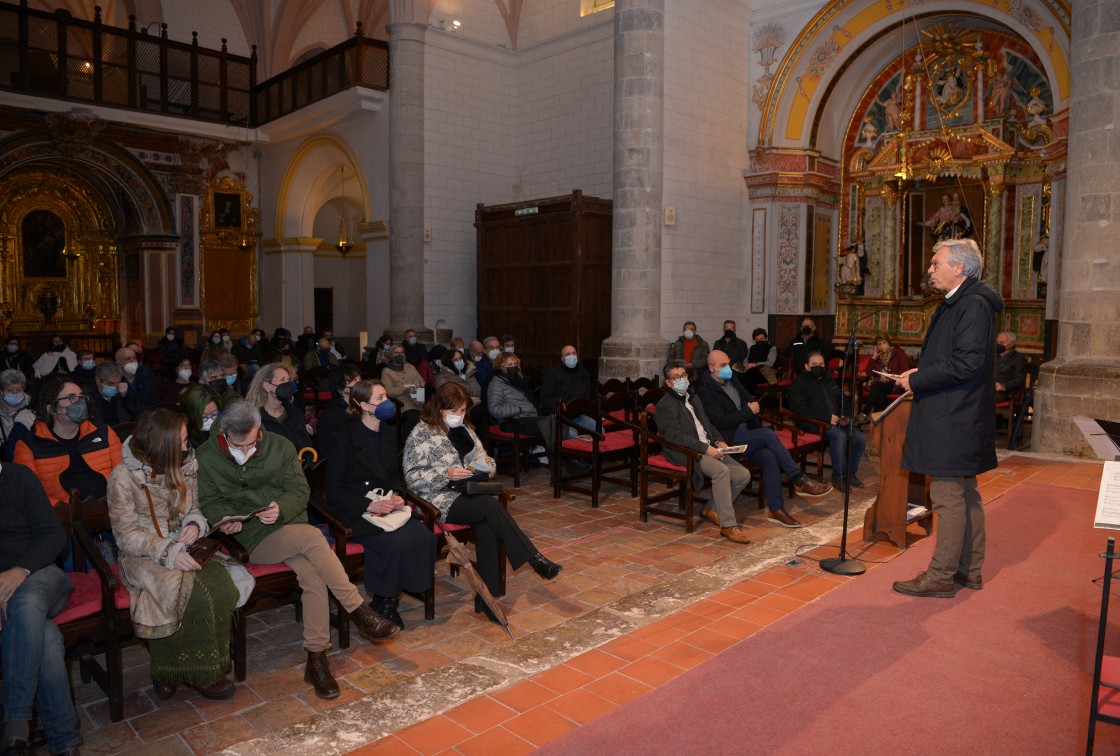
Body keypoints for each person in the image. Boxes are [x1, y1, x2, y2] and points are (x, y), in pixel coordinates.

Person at [196, 398, 398, 699]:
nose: (244, 450)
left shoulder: (280, 445)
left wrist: (280, 507)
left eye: (250, 443)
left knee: (314, 576)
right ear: (223, 431)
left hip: (288, 523)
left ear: (258, 428)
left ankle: (316, 659)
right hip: (251, 536)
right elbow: (209, 502)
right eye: (236, 445)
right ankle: (358, 610)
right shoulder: (207, 456)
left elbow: (300, 491)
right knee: (314, 539)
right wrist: (224, 519)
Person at [107, 406, 250, 701]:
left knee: (222, 589)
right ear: (164, 445)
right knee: (188, 595)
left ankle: (202, 670)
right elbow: (126, 536)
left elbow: (194, 506)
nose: (189, 446)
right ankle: (172, 669)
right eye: (183, 441)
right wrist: (167, 551)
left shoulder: (185, 463)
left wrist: (194, 524)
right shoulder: (123, 477)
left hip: (184, 545)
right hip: (145, 554)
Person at [893, 238, 1001, 598]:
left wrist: (919, 378)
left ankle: (940, 576)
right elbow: (957, 358)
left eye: (936, 263)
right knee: (966, 493)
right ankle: (969, 569)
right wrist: (922, 371)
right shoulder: (965, 302)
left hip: (954, 415)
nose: (929, 269)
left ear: (959, 268)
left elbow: (968, 362)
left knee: (947, 496)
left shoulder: (971, 305)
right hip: (959, 411)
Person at [404, 382, 562, 623]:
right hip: (438, 498)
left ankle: (487, 599)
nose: (458, 416)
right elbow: (412, 477)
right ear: (440, 408)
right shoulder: (422, 433)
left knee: (488, 526)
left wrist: (487, 465)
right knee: (489, 508)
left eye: (462, 410)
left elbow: (482, 460)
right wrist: (446, 474)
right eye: (453, 411)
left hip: (469, 491)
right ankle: (535, 559)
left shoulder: (465, 429)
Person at [324, 380, 436, 628]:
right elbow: (333, 490)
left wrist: (398, 495)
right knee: (394, 543)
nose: (387, 403)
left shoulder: (387, 432)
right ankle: (386, 600)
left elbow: (394, 474)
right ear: (364, 405)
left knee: (424, 536)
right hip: (355, 511)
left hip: (387, 507)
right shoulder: (344, 437)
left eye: (386, 396)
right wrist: (369, 505)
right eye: (380, 398)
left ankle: (386, 601)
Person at [696, 350, 833, 528]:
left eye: (728, 364)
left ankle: (776, 510)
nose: (727, 368)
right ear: (711, 367)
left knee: (769, 456)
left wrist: (749, 408)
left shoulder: (731, 379)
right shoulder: (705, 390)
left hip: (747, 431)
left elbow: (746, 398)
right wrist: (747, 411)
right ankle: (799, 479)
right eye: (723, 366)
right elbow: (720, 422)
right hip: (728, 438)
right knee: (768, 435)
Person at [0, 461, 81, 756]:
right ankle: (64, 742)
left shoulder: (19, 476)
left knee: (27, 599)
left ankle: (16, 718)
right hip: (3, 593)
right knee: (46, 637)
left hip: (41, 574)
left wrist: (19, 570)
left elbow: (53, 536)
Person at [656, 361, 752, 543]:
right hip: (687, 451)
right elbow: (676, 437)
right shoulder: (665, 405)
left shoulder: (693, 397)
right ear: (668, 383)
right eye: (676, 377)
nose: (681, 380)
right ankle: (728, 525)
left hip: (707, 446)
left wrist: (718, 441)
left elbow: (707, 424)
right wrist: (706, 448)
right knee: (721, 471)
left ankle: (711, 508)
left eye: (683, 375)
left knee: (742, 475)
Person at [14, 379, 123, 505]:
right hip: (62, 516)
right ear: (51, 409)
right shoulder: (29, 445)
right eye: (71, 398)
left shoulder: (104, 432)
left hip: (111, 509)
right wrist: (67, 512)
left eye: (81, 397)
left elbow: (122, 476)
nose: (80, 402)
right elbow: (30, 494)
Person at [789, 351, 866, 492]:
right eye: (814, 364)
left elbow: (843, 400)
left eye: (821, 364)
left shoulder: (828, 379)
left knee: (859, 438)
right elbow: (800, 408)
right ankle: (838, 477)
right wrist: (826, 417)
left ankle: (850, 474)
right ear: (806, 366)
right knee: (840, 436)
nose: (818, 367)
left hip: (837, 421)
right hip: (813, 422)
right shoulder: (799, 382)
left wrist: (846, 415)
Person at [246, 363, 311, 451]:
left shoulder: (294, 413)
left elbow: (307, 447)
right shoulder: (253, 418)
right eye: (282, 380)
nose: (287, 384)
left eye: (288, 380)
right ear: (267, 386)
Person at [487, 352, 546, 442]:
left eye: (515, 364)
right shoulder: (496, 383)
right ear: (502, 366)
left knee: (554, 422)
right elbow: (494, 409)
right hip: (512, 421)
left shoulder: (518, 381)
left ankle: (545, 451)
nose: (513, 367)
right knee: (547, 425)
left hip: (528, 417)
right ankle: (547, 452)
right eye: (510, 364)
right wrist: (518, 409)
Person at [314, 363, 362, 462]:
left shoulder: (362, 406)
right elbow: (326, 453)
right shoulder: (329, 416)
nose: (359, 384)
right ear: (340, 389)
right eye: (354, 381)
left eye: (359, 379)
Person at [380, 344, 425, 435]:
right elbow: (388, 391)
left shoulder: (410, 367)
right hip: (401, 401)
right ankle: (405, 441)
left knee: (431, 415)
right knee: (414, 418)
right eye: (396, 353)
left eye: (401, 352)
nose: (399, 355)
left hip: (418, 398)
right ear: (391, 355)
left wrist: (421, 384)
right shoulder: (386, 371)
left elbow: (421, 380)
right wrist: (405, 387)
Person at [861, 334, 909, 418]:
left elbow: (905, 371)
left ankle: (865, 412)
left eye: (884, 342)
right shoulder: (878, 356)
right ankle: (879, 422)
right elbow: (869, 373)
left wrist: (888, 379)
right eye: (879, 344)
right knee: (880, 394)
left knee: (878, 387)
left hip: (894, 384)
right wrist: (874, 357)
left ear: (889, 343)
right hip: (880, 386)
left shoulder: (899, 353)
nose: (882, 346)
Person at [92, 361, 140, 426]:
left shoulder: (123, 390)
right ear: (98, 380)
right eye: (110, 383)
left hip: (122, 430)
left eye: (118, 383)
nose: (114, 387)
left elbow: (138, 413)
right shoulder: (89, 395)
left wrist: (125, 397)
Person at [1, 369, 36, 459]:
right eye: (10, 390)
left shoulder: (33, 405)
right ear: (2, 391)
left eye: (19, 390)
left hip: (27, 452)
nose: (15, 393)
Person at [181, 383, 223, 450]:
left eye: (214, 413)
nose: (210, 420)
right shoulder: (184, 436)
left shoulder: (224, 424)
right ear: (191, 415)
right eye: (203, 417)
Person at [115, 346, 158, 411]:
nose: (133, 361)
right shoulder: (115, 382)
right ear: (119, 364)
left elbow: (154, 402)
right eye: (128, 359)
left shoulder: (145, 378)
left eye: (134, 358)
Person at [740, 328, 779, 393]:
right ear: (754, 340)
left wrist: (755, 365)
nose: (759, 341)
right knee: (740, 375)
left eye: (762, 339)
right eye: (757, 340)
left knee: (749, 376)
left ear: (766, 338)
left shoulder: (772, 348)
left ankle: (750, 396)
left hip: (765, 373)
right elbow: (745, 362)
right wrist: (747, 365)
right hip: (751, 371)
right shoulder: (752, 348)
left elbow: (770, 363)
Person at [995, 331, 1028, 399]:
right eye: (997, 342)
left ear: (1011, 344)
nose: (998, 345)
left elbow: (1019, 379)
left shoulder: (1019, 359)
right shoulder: (993, 356)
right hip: (988, 388)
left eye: (1001, 342)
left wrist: (1004, 386)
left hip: (1005, 392)